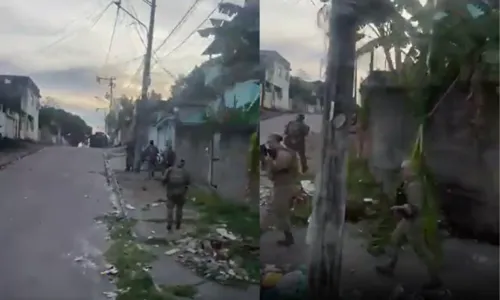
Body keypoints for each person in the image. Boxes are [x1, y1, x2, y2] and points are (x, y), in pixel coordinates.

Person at [375, 160, 442, 290]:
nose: (402, 172)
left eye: (404, 169)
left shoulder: (415, 185)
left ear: (411, 170)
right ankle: (390, 266)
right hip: (407, 220)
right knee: (395, 239)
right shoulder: (408, 183)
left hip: (414, 222)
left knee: (421, 251)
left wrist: (398, 207)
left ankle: (435, 278)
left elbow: (415, 208)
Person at [262, 133, 300, 247]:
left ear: (276, 141)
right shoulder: (281, 153)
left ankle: (287, 238)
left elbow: (279, 167)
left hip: (284, 187)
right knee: (280, 213)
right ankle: (288, 237)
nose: (268, 144)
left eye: (270, 141)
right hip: (282, 186)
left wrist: (268, 161)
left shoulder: (283, 153)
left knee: (277, 212)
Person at [162, 159, 190, 231]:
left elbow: (164, 180)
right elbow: (188, 182)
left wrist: (165, 185)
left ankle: (169, 224)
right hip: (181, 193)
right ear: (183, 164)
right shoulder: (185, 172)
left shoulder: (169, 170)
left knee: (170, 208)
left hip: (171, 192)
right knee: (179, 209)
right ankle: (178, 224)